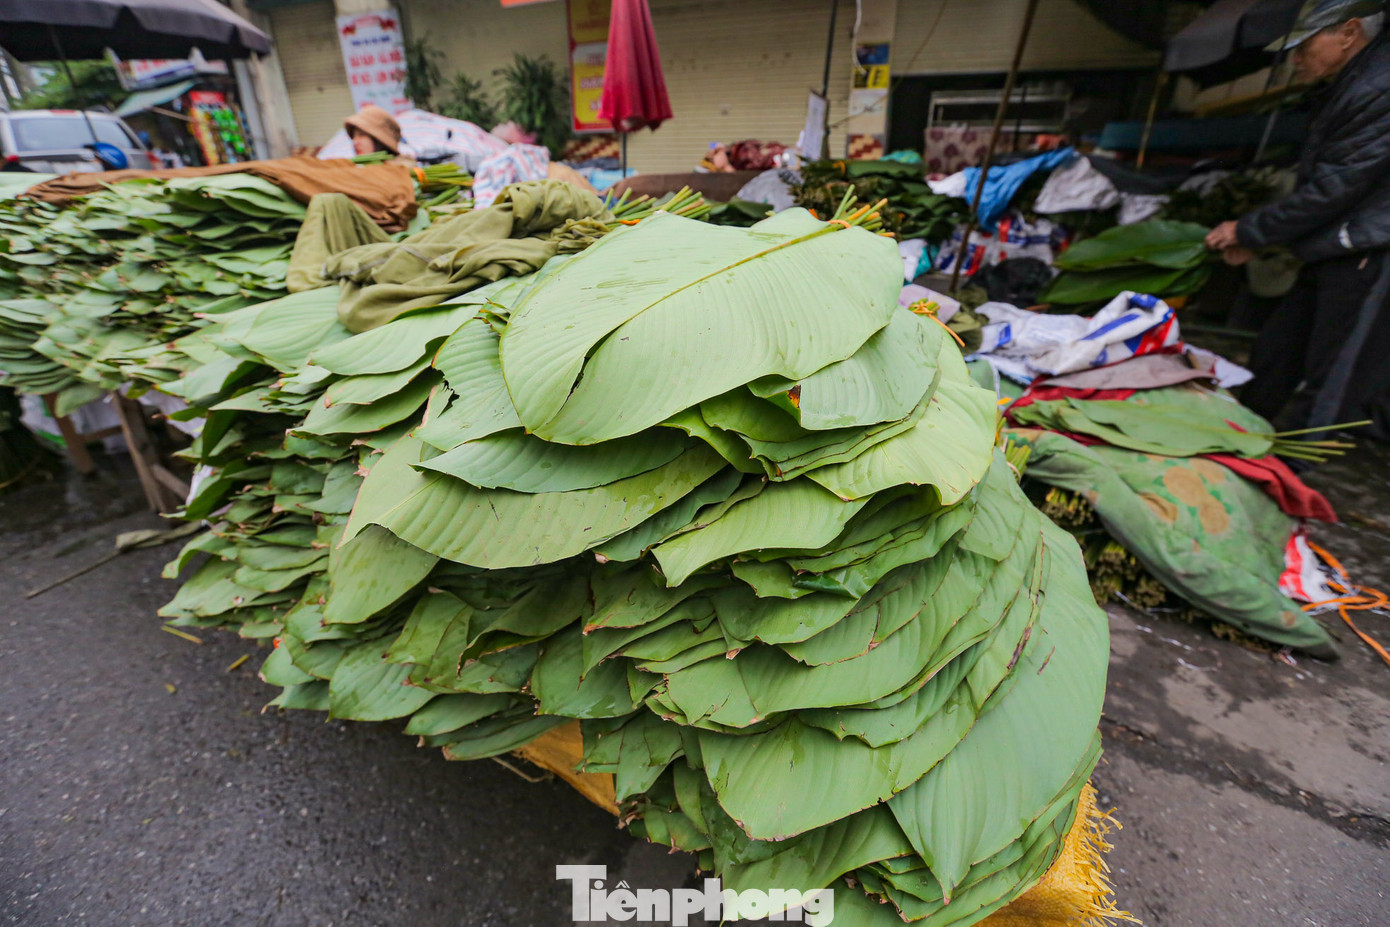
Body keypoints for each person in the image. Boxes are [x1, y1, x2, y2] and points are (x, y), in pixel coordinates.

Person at [1205, 0, 1390, 440]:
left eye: (1305, 45)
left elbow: (1337, 185)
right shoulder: (1354, 82)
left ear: (1348, 33)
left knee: (1333, 383)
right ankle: (1239, 442)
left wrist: (1250, 230)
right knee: (1276, 354)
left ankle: (1300, 483)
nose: (1296, 58)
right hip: (1336, 244)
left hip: (1367, 250)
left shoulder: (1378, 87)